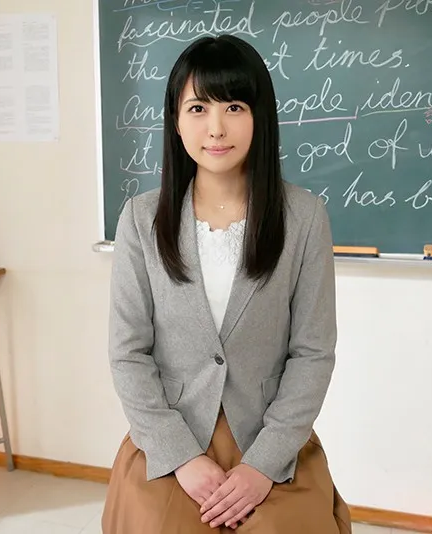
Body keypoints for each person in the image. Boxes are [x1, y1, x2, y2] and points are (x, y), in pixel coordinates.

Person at [102, 34, 351, 534]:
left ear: (260, 117)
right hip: (171, 441)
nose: (216, 128)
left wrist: (262, 466)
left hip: (270, 441)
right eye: (198, 108)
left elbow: (313, 353)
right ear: (176, 120)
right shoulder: (141, 218)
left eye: (234, 107)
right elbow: (128, 352)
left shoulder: (304, 217)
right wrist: (181, 457)